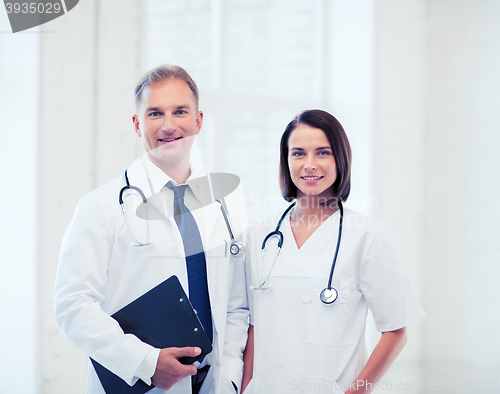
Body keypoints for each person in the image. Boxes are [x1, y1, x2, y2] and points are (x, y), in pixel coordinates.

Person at [54, 65, 248, 394]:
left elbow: (235, 305)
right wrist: (145, 362)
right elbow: (73, 304)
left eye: (180, 111)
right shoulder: (101, 207)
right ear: (137, 124)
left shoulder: (220, 206)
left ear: (198, 121)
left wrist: (229, 376)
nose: (169, 125)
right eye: (155, 113)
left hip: (212, 384)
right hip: (144, 384)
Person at [241, 109, 425, 393]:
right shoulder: (259, 237)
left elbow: (396, 332)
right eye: (298, 153)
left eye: (323, 153)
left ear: (340, 160)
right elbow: (254, 327)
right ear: (286, 161)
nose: (309, 164)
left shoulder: (367, 236)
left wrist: (356, 392)